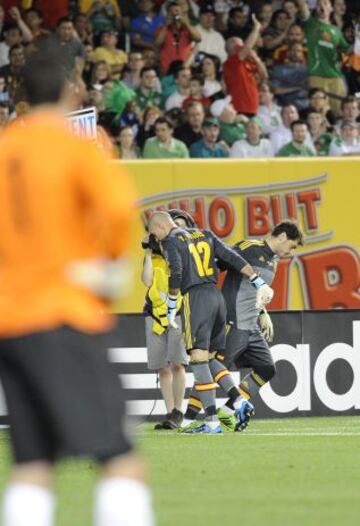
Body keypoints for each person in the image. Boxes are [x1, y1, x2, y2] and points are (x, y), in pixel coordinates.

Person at [0, 53, 154, 526]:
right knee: (121, 459)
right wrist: (106, 266)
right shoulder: (75, 146)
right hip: (64, 313)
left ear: (20, 95)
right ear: (72, 92)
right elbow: (116, 208)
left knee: (32, 464)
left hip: (11, 320)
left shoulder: (5, 149)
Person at [147, 211, 274, 434]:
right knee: (210, 358)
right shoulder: (204, 233)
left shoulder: (169, 241)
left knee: (197, 359)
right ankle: (238, 401)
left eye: (153, 233)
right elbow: (232, 257)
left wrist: (170, 305)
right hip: (217, 297)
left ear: (159, 227)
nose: (155, 239)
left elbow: (176, 272)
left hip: (195, 299)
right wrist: (257, 281)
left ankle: (213, 421)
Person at [217, 222, 304, 431]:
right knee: (216, 368)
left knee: (266, 368)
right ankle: (198, 419)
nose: (290, 252)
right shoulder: (249, 247)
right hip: (234, 319)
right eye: (292, 246)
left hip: (252, 323)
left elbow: (256, 292)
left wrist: (264, 313)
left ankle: (226, 412)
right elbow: (220, 260)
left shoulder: (273, 261)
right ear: (282, 236)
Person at [142, 209, 195, 430]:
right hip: (154, 312)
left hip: (179, 311)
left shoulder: (183, 250)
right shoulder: (155, 253)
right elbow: (146, 281)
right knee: (161, 367)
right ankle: (169, 412)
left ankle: (178, 412)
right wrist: (146, 253)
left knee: (178, 364)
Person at [297, 0, 351, 116]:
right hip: (317, 75)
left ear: (331, 8)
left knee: (340, 113)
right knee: (317, 112)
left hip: (336, 77)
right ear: (315, 8)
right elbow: (301, 4)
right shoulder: (310, 23)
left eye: (325, 3)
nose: (321, 6)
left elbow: (347, 50)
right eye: (318, 4)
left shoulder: (336, 30)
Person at [223, 15, 268, 117]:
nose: (244, 47)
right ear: (233, 48)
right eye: (240, 46)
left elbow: (265, 76)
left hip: (253, 108)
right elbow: (248, 46)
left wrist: (256, 59)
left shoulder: (247, 63)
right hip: (240, 108)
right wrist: (256, 28)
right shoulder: (230, 63)